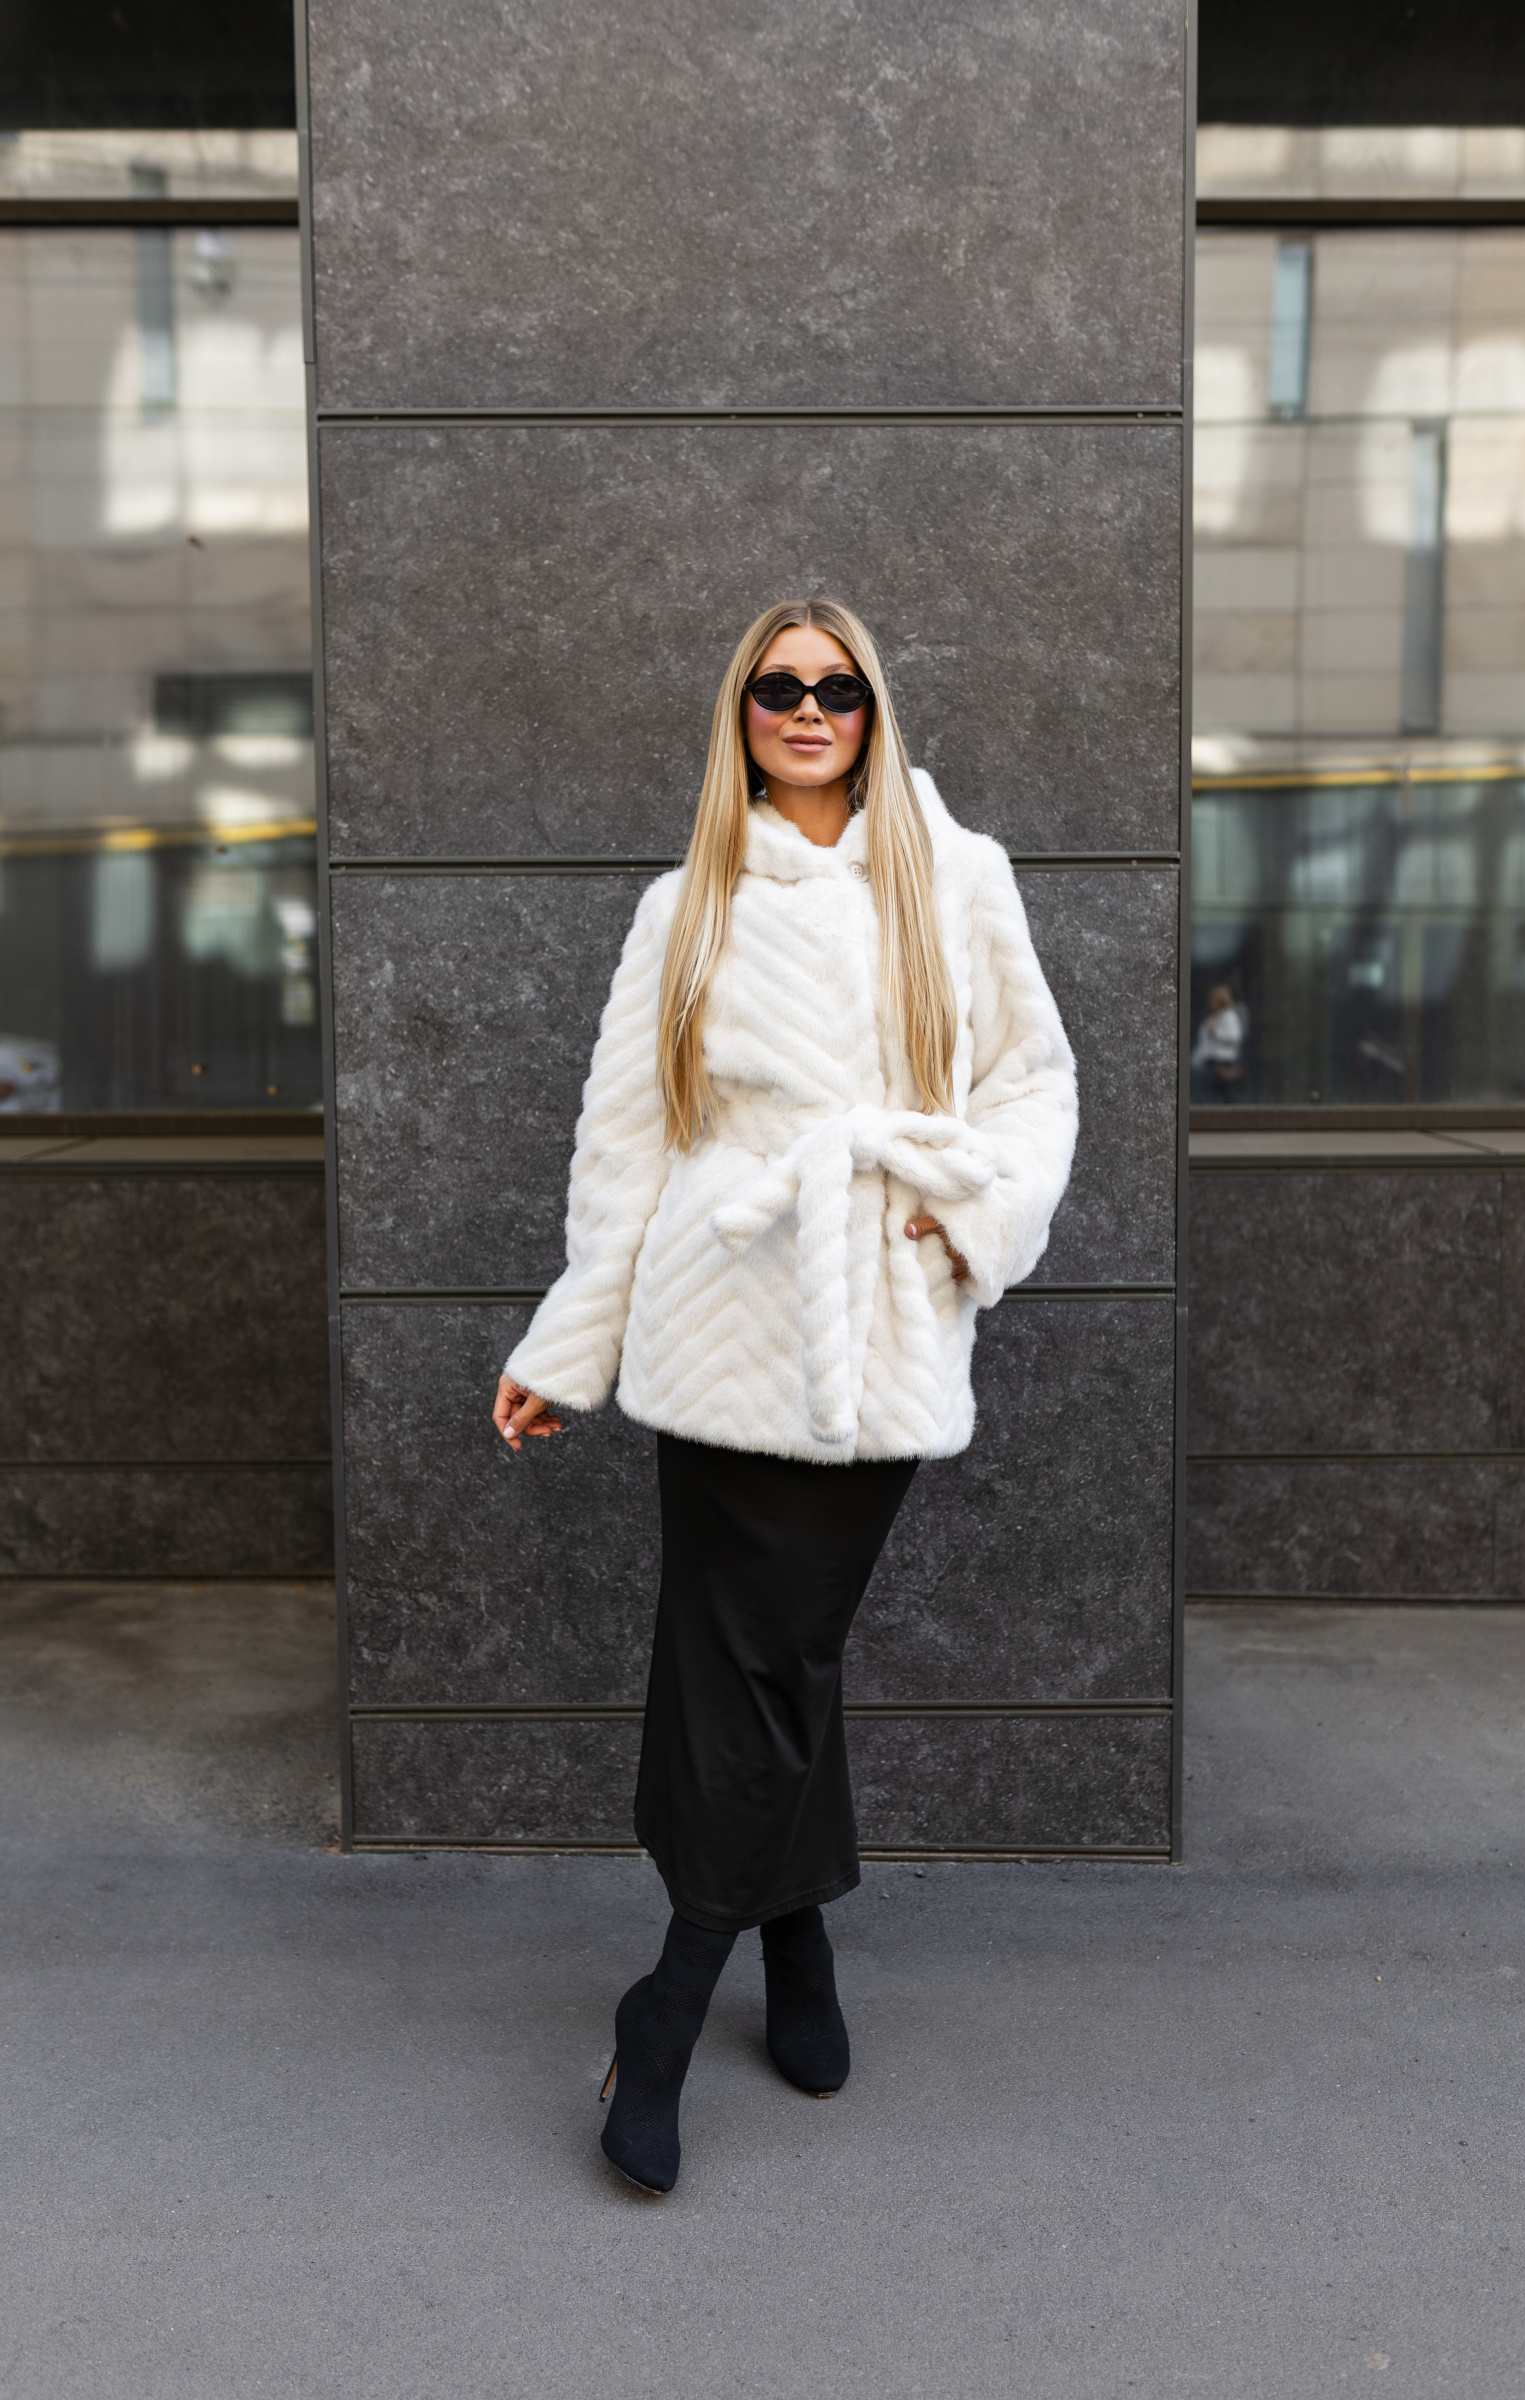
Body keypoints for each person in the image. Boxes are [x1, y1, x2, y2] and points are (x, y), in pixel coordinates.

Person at [492, 598, 1078, 2194]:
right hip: (719, 1313)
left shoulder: (959, 877)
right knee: (754, 1659)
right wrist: (569, 1344)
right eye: (777, 688)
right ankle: (735, 1978)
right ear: (741, 714)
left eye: (836, 687)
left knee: (781, 1653)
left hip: (875, 1313)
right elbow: (627, 1144)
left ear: (872, 709)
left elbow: (1032, 1086)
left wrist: (964, 1216)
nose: (808, 709)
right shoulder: (688, 899)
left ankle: (718, 1974)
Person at [1191, 982, 1246, 1100]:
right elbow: (1203, 1042)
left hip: (1222, 1062)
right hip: (1208, 1062)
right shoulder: (1214, 1016)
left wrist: (1216, 1032)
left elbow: (1234, 1037)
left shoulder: (1229, 1017)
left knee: (1216, 1095)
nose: (1211, 1002)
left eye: (1213, 999)